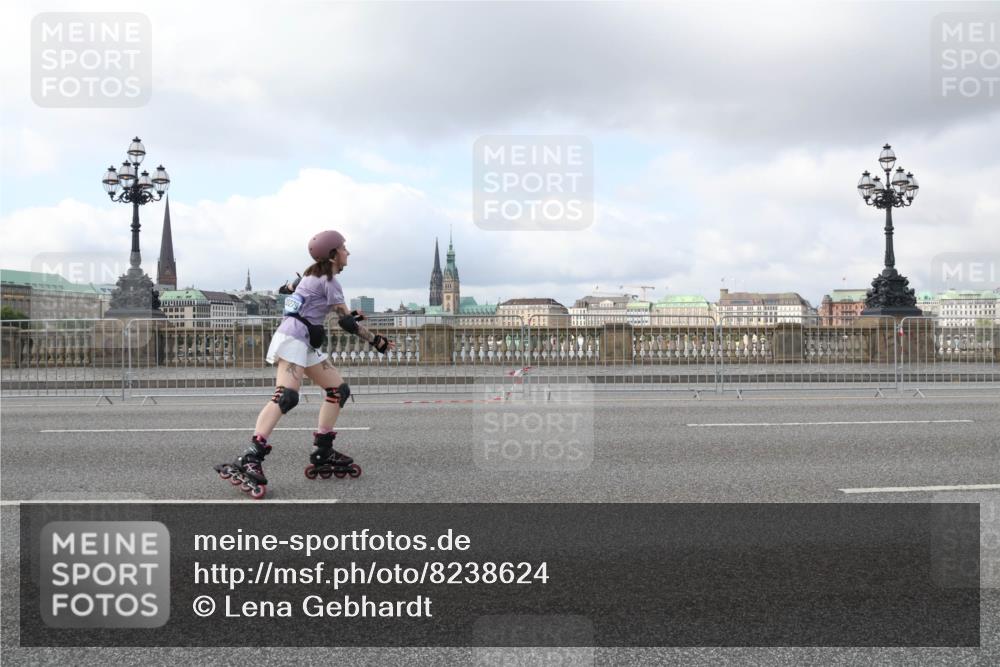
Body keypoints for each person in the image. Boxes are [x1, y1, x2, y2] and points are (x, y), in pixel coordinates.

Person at [214, 230, 393, 498]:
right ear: (333, 254)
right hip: (293, 338)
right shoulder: (329, 280)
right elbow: (345, 322)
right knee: (285, 396)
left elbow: (296, 296)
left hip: (305, 341)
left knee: (338, 391)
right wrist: (376, 340)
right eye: (344, 248)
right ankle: (250, 456)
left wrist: (349, 314)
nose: (348, 252)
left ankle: (323, 449)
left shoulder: (313, 276)